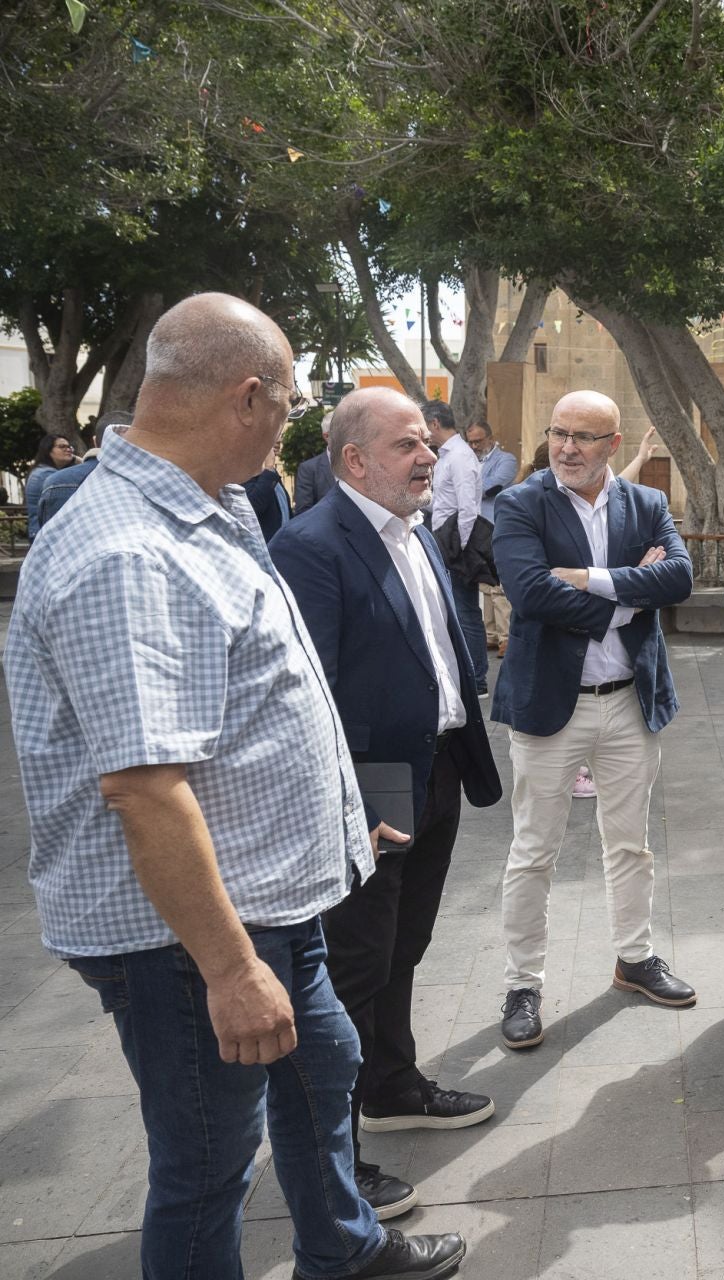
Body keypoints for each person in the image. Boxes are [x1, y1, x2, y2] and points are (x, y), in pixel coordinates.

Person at [4, 293, 462, 1280]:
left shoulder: (203, 500)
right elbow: (143, 786)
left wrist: (341, 818)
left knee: (323, 1065)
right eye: (289, 403)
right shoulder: (126, 550)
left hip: (270, 899)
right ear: (247, 396)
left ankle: (341, 1249)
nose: (290, 424)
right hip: (184, 936)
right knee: (208, 1164)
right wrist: (228, 968)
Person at [270, 387, 505, 1220]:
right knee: (353, 965)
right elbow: (313, 691)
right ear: (354, 461)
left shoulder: (415, 532)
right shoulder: (312, 545)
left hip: (436, 767)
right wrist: (343, 802)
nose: (428, 456)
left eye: (426, 444)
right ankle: (339, 1161)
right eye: (408, 445)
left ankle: (392, 1083)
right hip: (369, 783)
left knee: (406, 943)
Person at [492, 389, 697, 1050]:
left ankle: (634, 958)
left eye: (585, 436)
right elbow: (529, 593)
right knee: (533, 851)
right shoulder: (522, 502)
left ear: (614, 444)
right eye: (559, 433)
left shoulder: (647, 504)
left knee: (630, 842)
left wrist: (587, 579)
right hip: (553, 706)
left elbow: (680, 580)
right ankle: (522, 983)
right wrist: (629, 592)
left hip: (630, 702)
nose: (568, 448)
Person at [423, 399, 490, 694]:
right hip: (444, 537)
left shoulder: (460, 456)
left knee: (465, 611)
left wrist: (458, 549)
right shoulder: (448, 455)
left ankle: (477, 679)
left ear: (435, 423)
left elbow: (467, 508)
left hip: (454, 542)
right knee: (456, 610)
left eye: (425, 426)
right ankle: (468, 674)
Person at [467, 418, 519, 654]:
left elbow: (492, 487)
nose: (475, 446)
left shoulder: (506, 460)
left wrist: (463, 487)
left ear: (489, 438)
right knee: (485, 586)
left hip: (497, 526)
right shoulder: (469, 461)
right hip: (476, 527)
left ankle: (506, 637)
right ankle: (491, 634)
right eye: (471, 442)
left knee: (499, 585)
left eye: (478, 441)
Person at [23, 432, 76, 539]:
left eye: (69, 447)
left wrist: (74, 458)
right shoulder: (46, 475)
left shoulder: (43, 471)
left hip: (41, 532)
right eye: (62, 447)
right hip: (46, 535)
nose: (68, 449)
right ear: (48, 450)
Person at [243, 451, 293, 540]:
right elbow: (254, 506)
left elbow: (285, 510)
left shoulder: (271, 474)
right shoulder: (244, 475)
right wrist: (269, 467)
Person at [294, 415, 339, 512]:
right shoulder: (309, 469)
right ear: (327, 436)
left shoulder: (361, 464)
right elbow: (303, 512)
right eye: (342, 432)